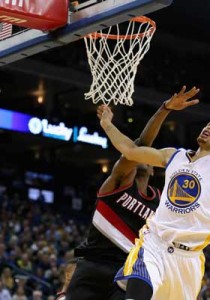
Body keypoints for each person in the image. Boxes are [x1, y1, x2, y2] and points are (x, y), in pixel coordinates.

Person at [98, 32, 210, 300]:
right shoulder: (174, 156)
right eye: (209, 124)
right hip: (154, 246)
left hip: (189, 261)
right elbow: (130, 150)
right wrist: (107, 124)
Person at [65, 86, 199, 300]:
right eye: (141, 157)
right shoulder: (119, 182)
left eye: (149, 158)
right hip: (93, 267)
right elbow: (141, 145)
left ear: (154, 167)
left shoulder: (162, 202)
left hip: (128, 273)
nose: (144, 159)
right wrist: (164, 109)